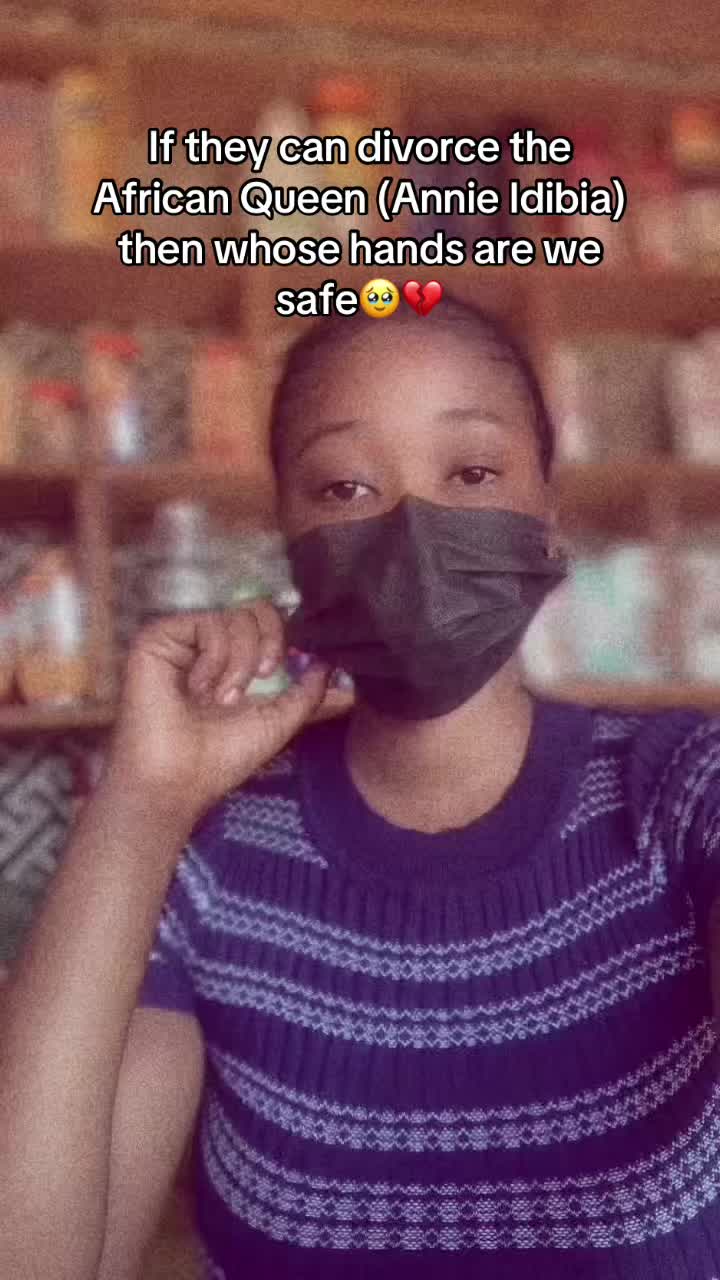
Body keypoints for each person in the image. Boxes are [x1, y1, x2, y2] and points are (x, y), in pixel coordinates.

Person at [2, 297, 720, 1280]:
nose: (412, 528)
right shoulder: (210, 855)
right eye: (344, 486)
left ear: (547, 513)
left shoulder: (683, 791)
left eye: (472, 472)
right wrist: (139, 803)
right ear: (288, 541)